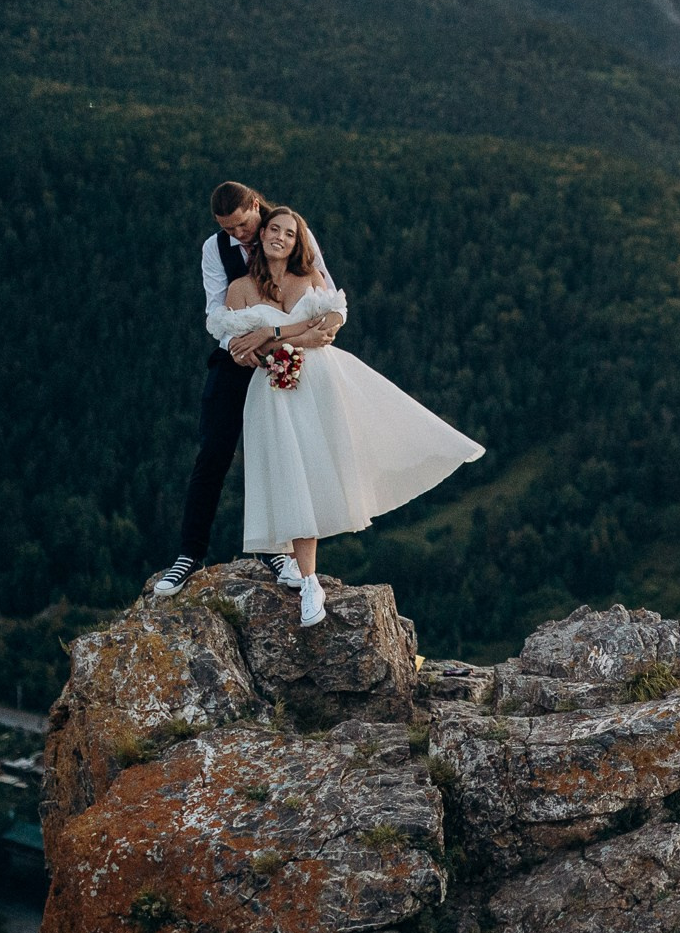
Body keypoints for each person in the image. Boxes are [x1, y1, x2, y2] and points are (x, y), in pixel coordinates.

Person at [208, 206, 485, 626]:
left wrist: (275, 333)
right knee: (292, 476)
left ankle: (308, 576)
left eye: (289, 232)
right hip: (275, 392)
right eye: (274, 230)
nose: (280, 237)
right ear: (262, 235)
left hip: (321, 383)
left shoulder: (311, 280)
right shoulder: (240, 290)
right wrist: (284, 339)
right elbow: (247, 349)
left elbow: (329, 329)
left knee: (330, 464)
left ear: (299, 241)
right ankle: (309, 582)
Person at [147, 181, 339, 597]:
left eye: (241, 225)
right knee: (215, 451)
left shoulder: (289, 231)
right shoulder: (213, 249)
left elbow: (327, 302)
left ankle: (276, 551)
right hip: (237, 360)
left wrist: (283, 341)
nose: (238, 235)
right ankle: (188, 554)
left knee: (282, 454)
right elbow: (215, 309)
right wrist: (236, 345)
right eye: (228, 229)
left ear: (256, 206)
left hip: (290, 356)